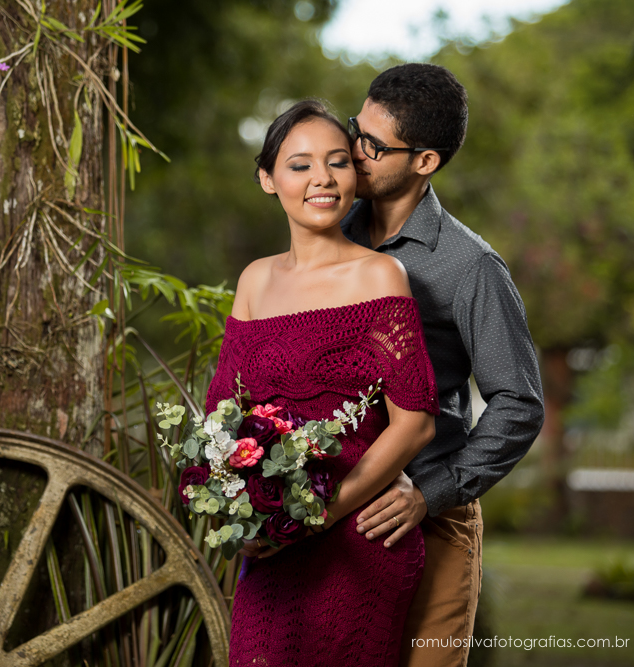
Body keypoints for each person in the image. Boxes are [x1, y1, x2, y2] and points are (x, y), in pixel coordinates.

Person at [205, 99, 440, 666]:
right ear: (267, 179)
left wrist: (313, 517)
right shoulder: (255, 280)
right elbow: (222, 414)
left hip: (358, 539)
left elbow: (415, 423)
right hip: (271, 548)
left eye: (338, 162)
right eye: (300, 164)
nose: (322, 179)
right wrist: (241, 507)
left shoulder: (379, 275)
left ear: (355, 177)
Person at [340, 63, 544, 667]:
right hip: (339, 509)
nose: (355, 151)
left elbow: (518, 402)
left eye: (373, 146)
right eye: (357, 129)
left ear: (424, 161)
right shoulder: (333, 231)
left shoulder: (470, 266)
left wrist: (431, 493)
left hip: (427, 518)